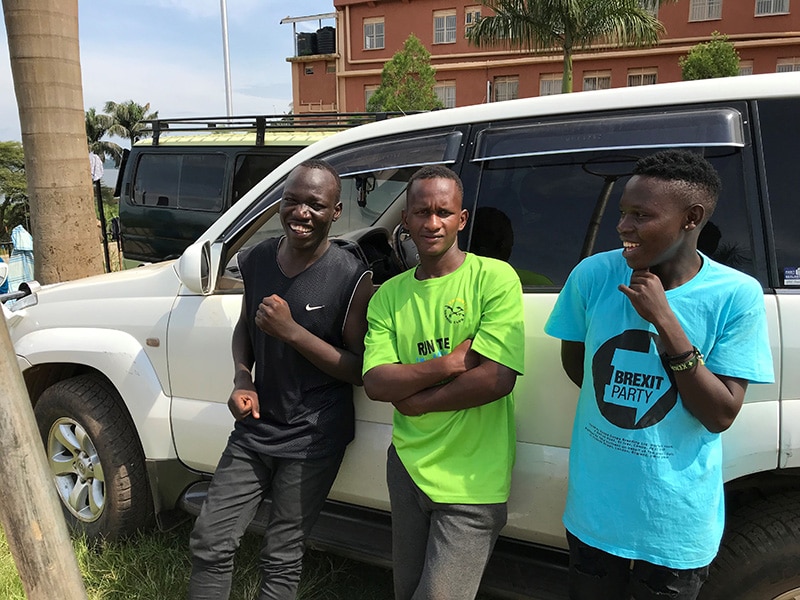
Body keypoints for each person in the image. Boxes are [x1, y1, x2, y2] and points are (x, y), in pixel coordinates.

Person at [544, 149, 774, 600]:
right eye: (623, 212)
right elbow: (580, 367)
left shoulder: (736, 295)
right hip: (596, 511)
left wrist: (666, 321)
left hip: (674, 522)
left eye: (641, 215)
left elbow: (720, 414)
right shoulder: (593, 275)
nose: (623, 226)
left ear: (692, 218)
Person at [188, 159, 373, 600]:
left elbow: (358, 369)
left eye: (316, 205)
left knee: (281, 555)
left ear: (336, 211)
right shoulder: (256, 259)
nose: (301, 213)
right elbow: (246, 327)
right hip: (256, 427)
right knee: (210, 540)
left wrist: (292, 332)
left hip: (313, 434)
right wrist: (242, 378)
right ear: (279, 204)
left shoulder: (351, 276)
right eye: (292, 200)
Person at [362, 165, 525, 600]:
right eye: (421, 212)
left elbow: (496, 378)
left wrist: (418, 401)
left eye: (444, 212)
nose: (432, 223)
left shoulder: (494, 278)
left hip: (473, 476)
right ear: (405, 220)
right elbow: (377, 382)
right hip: (408, 466)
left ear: (461, 219)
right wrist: (448, 363)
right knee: (406, 590)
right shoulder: (389, 295)